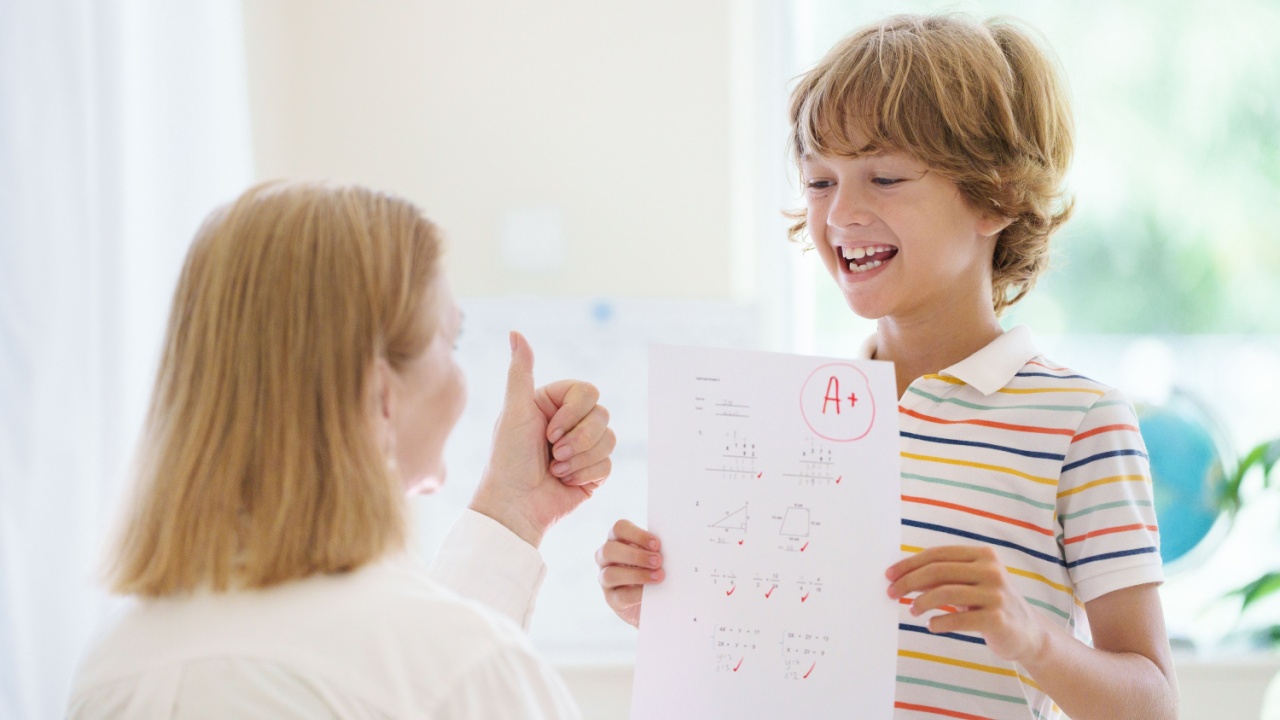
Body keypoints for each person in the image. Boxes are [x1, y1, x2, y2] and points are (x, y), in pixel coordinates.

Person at [596, 14, 1177, 720]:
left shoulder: (1080, 422)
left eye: (885, 177)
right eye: (818, 182)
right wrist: (671, 607)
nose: (841, 212)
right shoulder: (789, 425)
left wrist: (1030, 639)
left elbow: (1154, 703)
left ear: (996, 197)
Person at [67, 180, 614, 719]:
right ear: (380, 397)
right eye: (452, 342)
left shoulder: (111, 666)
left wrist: (511, 510)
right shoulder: (462, 671)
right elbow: (425, 669)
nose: (461, 377)